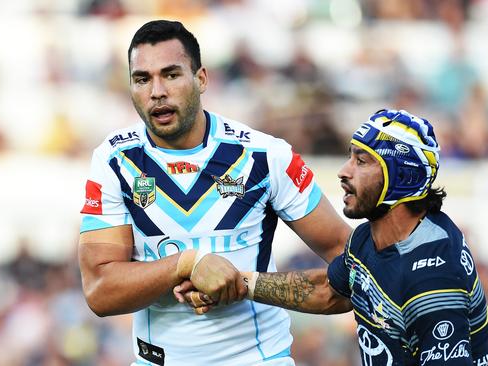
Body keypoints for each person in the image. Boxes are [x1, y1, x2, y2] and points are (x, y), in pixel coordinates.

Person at [77, 20, 351, 366]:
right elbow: (100, 291)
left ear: (201, 79)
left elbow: (352, 264)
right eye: (142, 79)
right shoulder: (114, 161)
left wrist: (245, 284)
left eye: (171, 75)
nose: (156, 91)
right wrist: (187, 264)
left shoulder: (265, 156)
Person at [181, 109, 488, 365]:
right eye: (350, 157)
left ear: (403, 177)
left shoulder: (432, 279)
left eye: (362, 160)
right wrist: (239, 283)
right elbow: (330, 289)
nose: (344, 171)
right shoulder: (366, 240)